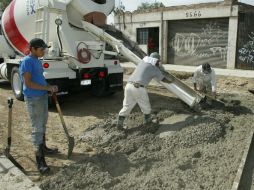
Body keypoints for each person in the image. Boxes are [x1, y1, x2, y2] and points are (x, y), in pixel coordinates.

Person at [20, 38, 59, 174]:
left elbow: (39, 78)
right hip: (33, 98)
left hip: (41, 96)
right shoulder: (27, 62)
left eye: (44, 49)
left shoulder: (37, 60)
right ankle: (40, 161)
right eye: (41, 49)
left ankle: (43, 148)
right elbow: (29, 84)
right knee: (37, 127)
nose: (44, 51)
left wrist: (49, 87)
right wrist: (47, 87)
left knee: (42, 124)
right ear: (33, 49)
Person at [117, 52, 172, 129]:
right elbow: (163, 79)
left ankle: (119, 124)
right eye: (158, 61)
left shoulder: (142, 63)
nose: (158, 63)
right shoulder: (154, 68)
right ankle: (148, 122)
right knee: (146, 106)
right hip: (138, 88)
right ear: (156, 61)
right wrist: (171, 82)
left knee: (127, 106)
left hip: (128, 86)